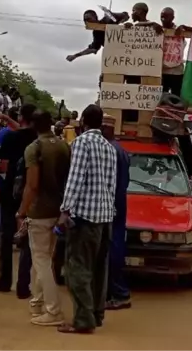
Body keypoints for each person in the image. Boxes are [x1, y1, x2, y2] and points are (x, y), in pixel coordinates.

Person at [58, 104, 116, 334]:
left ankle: (83, 320)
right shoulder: (109, 147)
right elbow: (111, 185)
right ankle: (96, 315)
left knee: (77, 270)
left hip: (84, 217)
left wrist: (65, 209)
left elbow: (75, 178)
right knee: (99, 270)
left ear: (83, 121)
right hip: (104, 216)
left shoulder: (82, 143)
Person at [16, 110, 71, 326]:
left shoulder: (34, 148)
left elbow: (32, 185)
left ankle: (52, 310)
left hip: (39, 211)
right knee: (47, 258)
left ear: (32, 125)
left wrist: (22, 211)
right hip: (59, 210)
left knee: (41, 260)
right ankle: (38, 302)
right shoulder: (63, 146)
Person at [0, 103, 38, 297]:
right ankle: (23, 285)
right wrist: (6, 118)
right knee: (27, 238)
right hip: (31, 193)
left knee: (7, 235)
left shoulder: (11, 137)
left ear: (21, 117)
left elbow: (3, 167)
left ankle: (4, 281)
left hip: (11, 191)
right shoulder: (37, 139)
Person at [101, 114, 132, 310]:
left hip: (111, 205)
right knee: (115, 247)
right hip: (120, 202)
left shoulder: (110, 150)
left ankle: (119, 293)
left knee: (111, 250)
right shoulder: (121, 150)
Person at [159, 7, 191, 96]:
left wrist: (184, 27)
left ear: (172, 18)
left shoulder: (180, 31)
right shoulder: (157, 30)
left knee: (177, 98)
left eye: (166, 17)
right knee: (161, 98)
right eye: (162, 17)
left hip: (177, 71)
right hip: (161, 72)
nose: (163, 19)